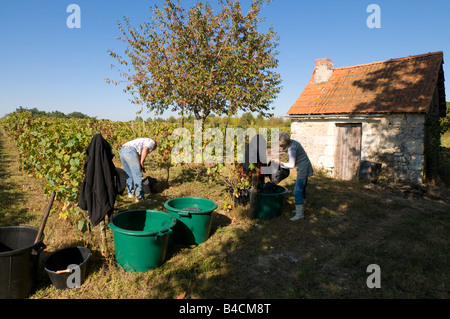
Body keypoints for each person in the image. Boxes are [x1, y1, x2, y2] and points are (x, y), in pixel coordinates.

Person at [273, 132, 313, 221]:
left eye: (281, 145)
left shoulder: (292, 148)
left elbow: (291, 165)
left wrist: (279, 163)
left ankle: (300, 215)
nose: (281, 147)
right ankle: (301, 208)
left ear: (285, 143)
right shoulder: (292, 142)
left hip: (303, 169)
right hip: (304, 166)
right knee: (302, 189)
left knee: (297, 191)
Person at [119, 138, 157, 202]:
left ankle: (130, 193)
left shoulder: (141, 141)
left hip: (122, 150)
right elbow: (145, 149)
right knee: (137, 175)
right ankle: (140, 197)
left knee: (129, 174)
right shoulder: (152, 142)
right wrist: (142, 162)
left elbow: (138, 155)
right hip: (130, 151)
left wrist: (140, 164)